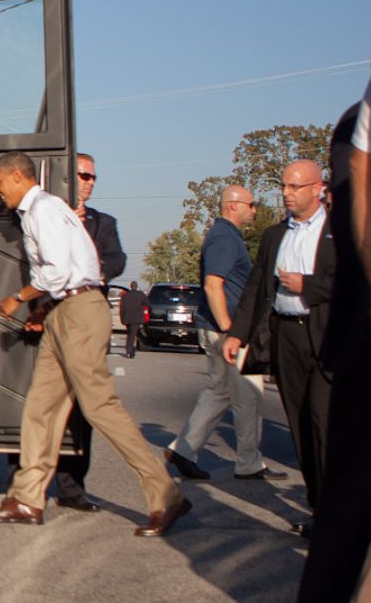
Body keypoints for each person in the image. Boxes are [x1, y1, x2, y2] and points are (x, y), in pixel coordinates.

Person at [0, 152, 188, 535]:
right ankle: (27, 498)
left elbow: (56, 270)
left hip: (79, 313)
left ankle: (165, 495)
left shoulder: (43, 210)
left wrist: (19, 298)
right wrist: (43, 312)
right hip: (63, 310)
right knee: (41, 407)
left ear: (18, 178)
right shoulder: (39, 212)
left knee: (100, 406)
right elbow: (61, 271)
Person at [294, 49, 371, 603]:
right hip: (360, 344)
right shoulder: (357, 128)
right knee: (346, 519)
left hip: (347, 339)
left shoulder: (351, 124)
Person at [225, 159, 338, 524]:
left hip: (326, 334)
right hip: (286, 335)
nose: (286, 193)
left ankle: (338, 517)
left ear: (317, 188)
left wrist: (310, 286)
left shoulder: (342, 231)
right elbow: (256, 288)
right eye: (284, 186)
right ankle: (319, 507)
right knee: (300, 424)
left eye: (294, 187)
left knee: (324, 422)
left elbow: (357, 283)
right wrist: (237, 333)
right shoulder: (276, 236)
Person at [164, 186, 284, 482]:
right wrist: (231, 329)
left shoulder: (226, 236)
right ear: (233, 205)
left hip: (218, 329)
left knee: (220, 391)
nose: (255, 209)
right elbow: (212, 285)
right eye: (252, 204)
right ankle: (248, 463)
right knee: (249, 395)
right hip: (226, 331)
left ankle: (183, 450)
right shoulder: (224, 237)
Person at [37, 152, 124, 511]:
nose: (88, 182)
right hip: (47, 317)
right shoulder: (46, 215)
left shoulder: (103, 223)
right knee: (39, 403)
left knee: (85, 406)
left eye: (93, 177)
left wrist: (91, 266)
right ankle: (25, 480)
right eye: (83, 175)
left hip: (85, 322)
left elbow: (116, 260)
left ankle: (72, 485)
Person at [120, 282, 147, 357]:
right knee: (132, 334)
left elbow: (121, 308)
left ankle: (129, 348)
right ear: (136, 286)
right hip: (137, 318)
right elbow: (147, 304)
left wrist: (121, 318)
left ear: (130, 286)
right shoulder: (141, 295)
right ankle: (130, 350)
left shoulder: (125, 295)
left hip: (127, 318)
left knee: (129, 334)